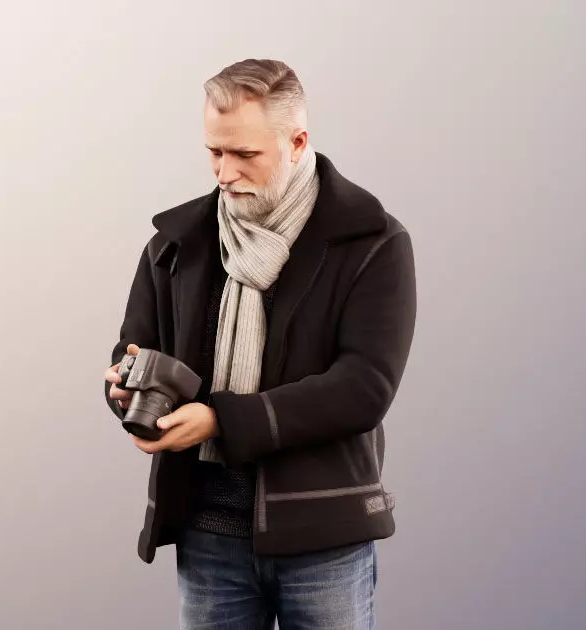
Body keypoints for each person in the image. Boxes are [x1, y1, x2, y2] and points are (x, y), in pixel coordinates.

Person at [103, 58, 417, 630]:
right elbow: (134, 350)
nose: (224, 173)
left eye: (245, 154)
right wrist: (125, 390)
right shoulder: (175, 244)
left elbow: (364, 389)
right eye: (214, 152)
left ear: (297, 142)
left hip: (323, 538)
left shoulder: (372, 241)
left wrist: (220, 421)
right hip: (206, 536)